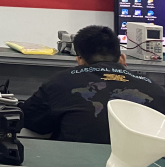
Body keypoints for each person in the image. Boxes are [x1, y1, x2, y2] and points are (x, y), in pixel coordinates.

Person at [20, 25, 165, 144]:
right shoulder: (155, 89)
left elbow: (32, 122)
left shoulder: (59, 82)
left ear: (80, 60)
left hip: (76, 166)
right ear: (122, 58)